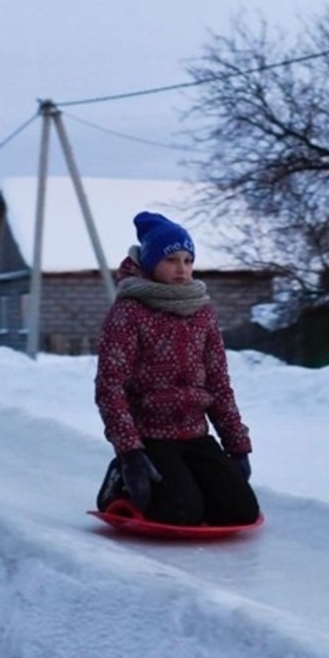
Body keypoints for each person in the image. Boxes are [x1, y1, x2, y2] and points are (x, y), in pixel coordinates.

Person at [94, 211, 260, 526]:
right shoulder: (128, 312)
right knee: (181, 513)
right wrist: (129, 452)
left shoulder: (203, 313)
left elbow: (218, 384)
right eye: (171, 260)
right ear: (150, 262)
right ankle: (120, 483)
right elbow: (110, 388)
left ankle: (189, 487)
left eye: (187, 260)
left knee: (240, 511)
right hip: (149, 436)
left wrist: (237, 445)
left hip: (195, 434)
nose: (182, 269)